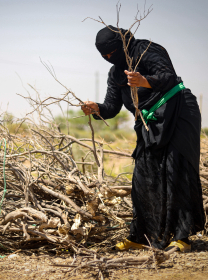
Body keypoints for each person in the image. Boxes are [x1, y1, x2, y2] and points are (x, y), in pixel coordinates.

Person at [81, 26, 205, 252]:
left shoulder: (146, 50)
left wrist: (143, 80)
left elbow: (167, 77)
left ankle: (182, 238)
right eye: (104, 56)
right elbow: (111, 108)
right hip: (149, 122)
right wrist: (96, 108)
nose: (110, 58)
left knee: (176, 169)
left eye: (112, 52)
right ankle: (141, 237)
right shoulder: (116, 74)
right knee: (143, 177)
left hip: (178, 111)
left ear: (123, 44)